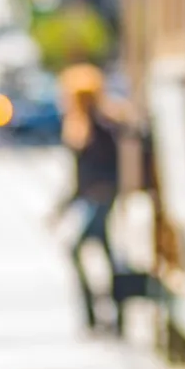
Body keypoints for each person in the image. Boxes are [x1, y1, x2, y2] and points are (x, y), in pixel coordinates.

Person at [56, 63, 122, 334]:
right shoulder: (80, 126)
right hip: (91, 199)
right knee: (103, 252)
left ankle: (98, 314)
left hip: (101, 199)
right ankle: (107, 313)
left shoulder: (102, 126)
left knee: (79, 249)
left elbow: (110, 168)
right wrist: (63, 205)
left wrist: (103, 190)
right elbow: (78, 176)